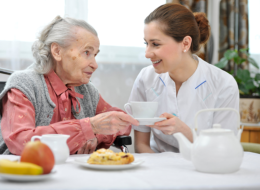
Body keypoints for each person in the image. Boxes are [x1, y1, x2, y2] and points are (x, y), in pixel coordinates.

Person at [0, 16, 139, 155]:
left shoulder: (87, 90)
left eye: (95, 55)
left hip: (74, 173)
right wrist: (88, 127)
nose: (95, 65)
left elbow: (122, 121)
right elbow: (20, 141)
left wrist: (95, 135)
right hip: (27, 172)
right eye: (86, 52)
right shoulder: (24, 85)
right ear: (57, 51)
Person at [128, 3, 239, 153]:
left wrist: (184, 131)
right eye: (146, 43)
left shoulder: (224, 84)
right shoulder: (145, 78)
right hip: (156, 167)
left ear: (185, 43)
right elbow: (142, 146)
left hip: (204, 168)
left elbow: (224, 149)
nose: (147, 53)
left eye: (155, 44)